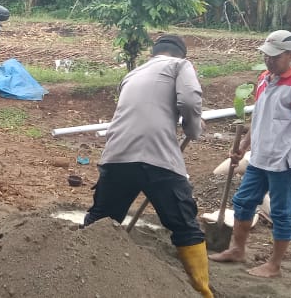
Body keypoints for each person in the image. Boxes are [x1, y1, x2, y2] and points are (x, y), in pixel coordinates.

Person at [81, 35, 211, 298]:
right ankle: (202, 291)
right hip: (158, 157)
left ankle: (81, 277)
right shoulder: (180, 66)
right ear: (180, 54)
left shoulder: (133, 74)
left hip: (117, 155)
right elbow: (188, 101)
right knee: (184, 226)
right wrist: (193, 128)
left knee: (101, 218)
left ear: (153, 54)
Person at [209, 30, 291, 279]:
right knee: (243, 202)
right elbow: (258, 118)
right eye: (266, 56)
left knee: (281, 212)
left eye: (275, 57)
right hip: (259, 159)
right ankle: (237, 250)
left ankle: (274, 265)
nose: (269, 61)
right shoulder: (264, 79)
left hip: (285, 162)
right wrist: (243, 147)